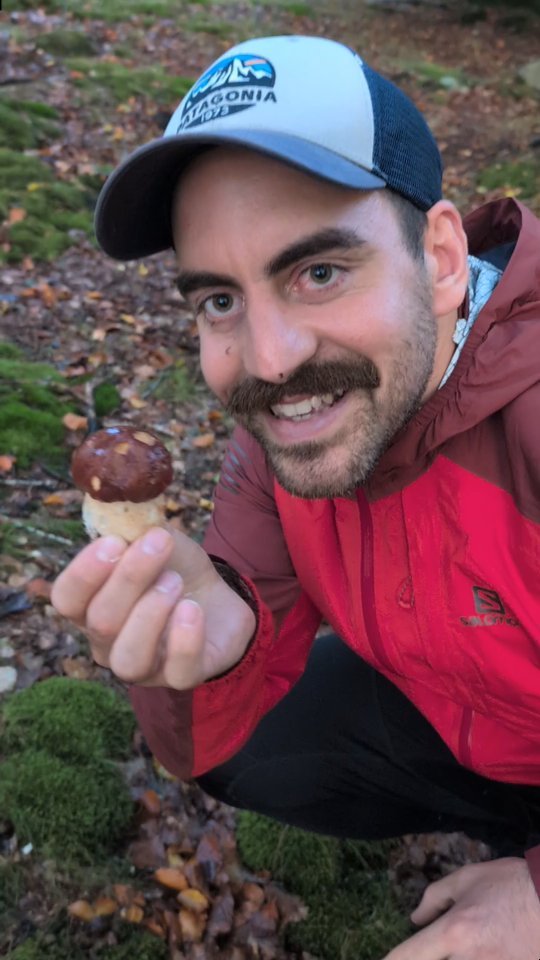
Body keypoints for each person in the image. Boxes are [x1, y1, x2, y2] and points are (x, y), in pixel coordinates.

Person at [51, 35, 540, 959]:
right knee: (249, 746)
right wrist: (202, 658)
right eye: (218, 300)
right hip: (467, 727)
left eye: (318, 272)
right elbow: (204, 737)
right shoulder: (287, 435)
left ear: (441, 258)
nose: (271, 362)